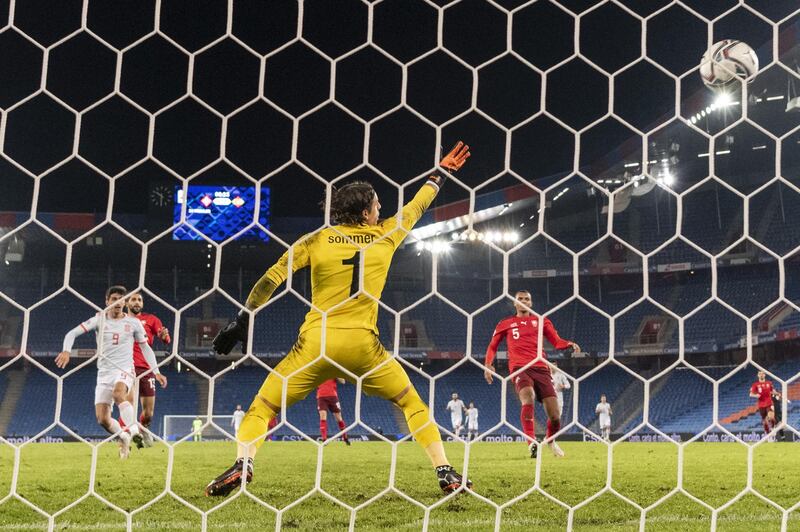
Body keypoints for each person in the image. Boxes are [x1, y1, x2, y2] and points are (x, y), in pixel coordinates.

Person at [205, 142, 471, 497]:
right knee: (411, 403)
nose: (381, 209)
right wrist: (440, 174)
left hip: (315, 345)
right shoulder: (388, 234)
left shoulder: (316, 239)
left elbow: (271, 278)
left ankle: (243, 463)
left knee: (263, 407)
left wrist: (243, 319)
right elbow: (417, 205)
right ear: (365, 213)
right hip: (364, 346)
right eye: (377, 205)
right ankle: (445, 471)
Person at [56, 286, 167, 459]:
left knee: (118, 394)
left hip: (125, 369)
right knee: (103, 419)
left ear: (124, 302)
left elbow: (146, 348)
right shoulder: (99, 319)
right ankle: (123, 435)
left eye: (120, 299)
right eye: (113, 299)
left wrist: (156, 371)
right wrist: (66, 351)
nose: (117, 303)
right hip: (104, 373)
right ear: (107, 301)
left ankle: (134, 431)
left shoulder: (133, 323)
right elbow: (72, 333)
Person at [484, 290, 580, 459]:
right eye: (519, 299)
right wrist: (488, 365)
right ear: (514, 303)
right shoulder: (505, 323)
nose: (523, 301)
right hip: (520, 368)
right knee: (527, 397)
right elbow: (492, 346)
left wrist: (569, 344)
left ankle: (551, 441)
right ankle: (531, 443)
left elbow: (557, 342)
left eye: (526, 299)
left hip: (541, 368)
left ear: (531, 303)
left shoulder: (542, 321)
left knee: (555, 416)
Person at [125, 292, 170, 447]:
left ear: (142, 304)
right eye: (133, 299)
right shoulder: (121, 320)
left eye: (139, 300)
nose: (137, 302)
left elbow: (164, 338)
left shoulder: (151, 319)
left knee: (148, 413)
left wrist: (164, 335)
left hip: (146, 369)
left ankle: (143, 428)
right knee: (128, 405)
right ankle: (126, 438)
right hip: (126, 367)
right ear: (126, 303)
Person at [317, 378, 350, 445]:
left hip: (333, 397)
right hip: (321, 397)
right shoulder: (319, 371)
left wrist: (336, 375)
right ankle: (324, 439)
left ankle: (345, 437)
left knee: (339, 418)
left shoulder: (334, 371)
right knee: (323, 417)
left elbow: (343, 381)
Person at [750, 371, 776, 438]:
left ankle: (773, 428)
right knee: (764, 421)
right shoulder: (755, 384)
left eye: (762, 374)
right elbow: (751, 394)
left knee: (771, 417)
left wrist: (777, 393)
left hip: (769, 402)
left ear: (765, 375)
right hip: (761, 404)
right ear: (758, 375)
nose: (761, 375)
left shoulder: (769, 383)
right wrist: (756, 395)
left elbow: (772, 391)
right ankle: (768, 435)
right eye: (760, 374)